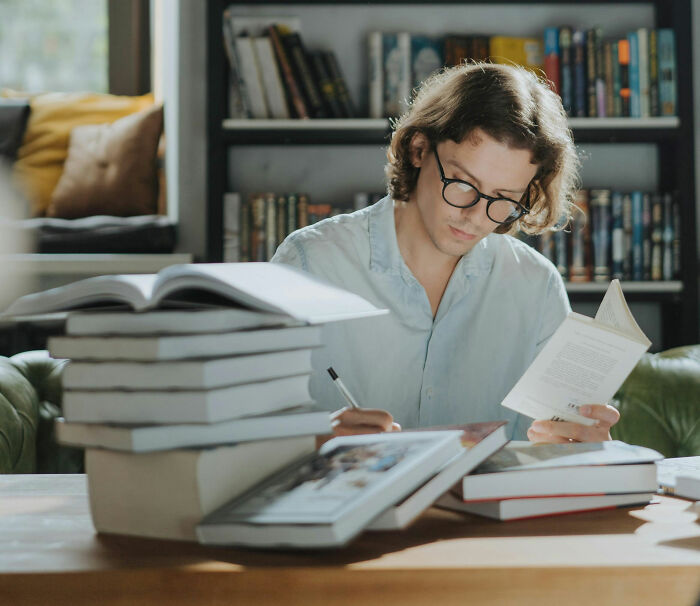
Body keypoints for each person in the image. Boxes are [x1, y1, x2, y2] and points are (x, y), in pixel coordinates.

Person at [271, 62, 620, 444]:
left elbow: (556, 453)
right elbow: (244, 437)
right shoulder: (309, 263)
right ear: (419, 149)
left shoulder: (535, 287)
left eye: (504, 199)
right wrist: (311, 439)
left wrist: (582, 445)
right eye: (463, 183)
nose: (473, 215)